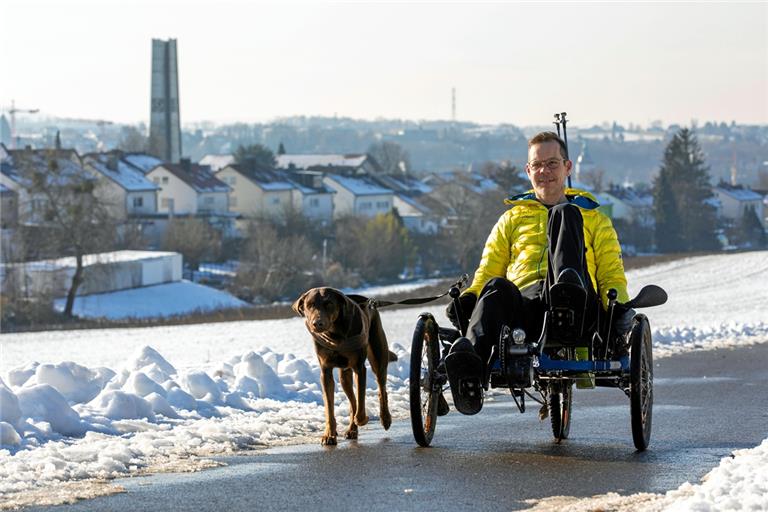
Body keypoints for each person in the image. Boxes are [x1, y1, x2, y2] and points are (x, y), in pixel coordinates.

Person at [444, 131, 634, 415]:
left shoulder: (593, 217)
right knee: (497, 285)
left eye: (553, 164)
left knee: (565, 214)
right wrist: (471, 297)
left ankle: (566, 291)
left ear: (567, 167)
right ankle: (469, 369)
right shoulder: (511, 219)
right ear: (528, 170)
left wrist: (618, 307)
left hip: (579, 306)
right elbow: (489, 268)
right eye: (538, 165)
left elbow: (610, 271)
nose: (545, 172)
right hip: (527, 305)